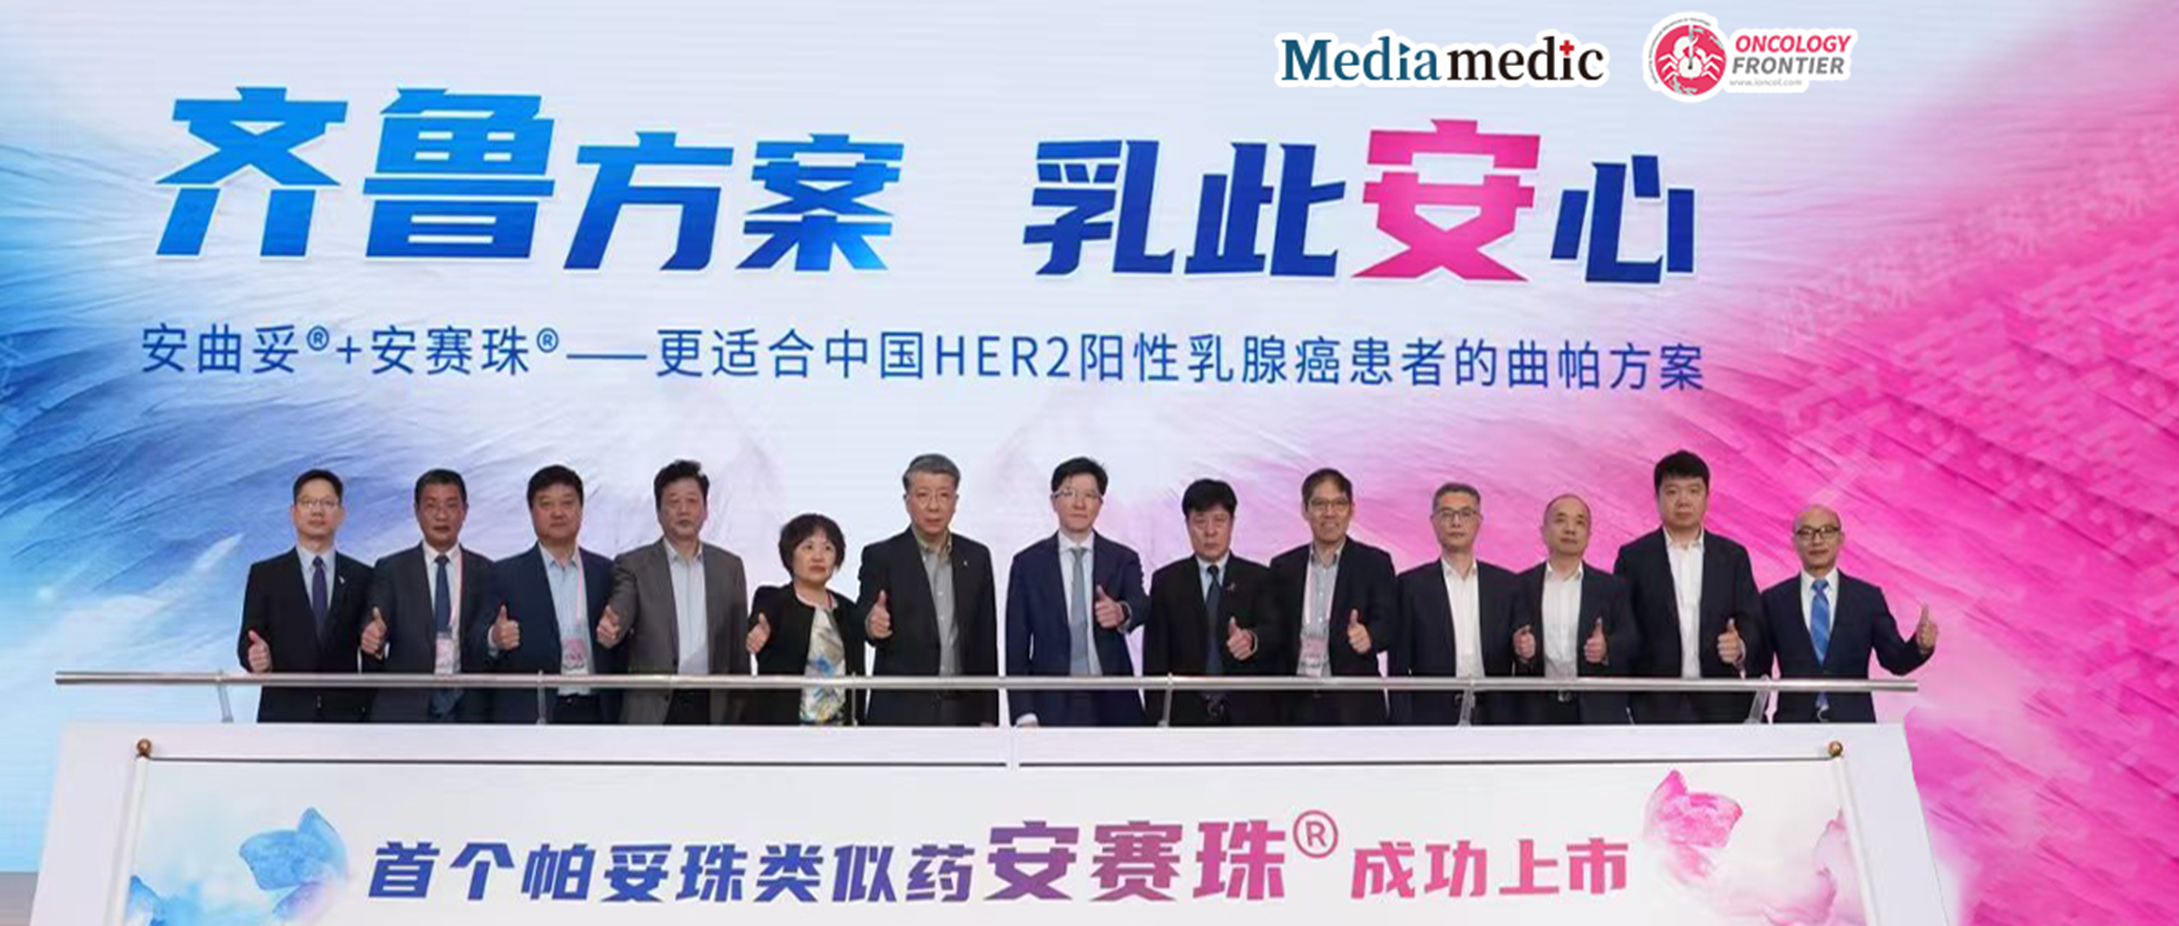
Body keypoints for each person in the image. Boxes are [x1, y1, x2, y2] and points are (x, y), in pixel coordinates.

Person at [1612, 450, 1764, 724]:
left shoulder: (1732, 556)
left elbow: (1752, 618)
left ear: (1707, 497)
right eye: (1672, 492)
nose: (1683, 500)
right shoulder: (1633, 557)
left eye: (1693, 491)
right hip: (1653, 704)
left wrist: (1740, 646)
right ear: (1657, 497)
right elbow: (1623, 626)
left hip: (1722, 703)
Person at [1749, 505, 1938, 723]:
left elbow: (1895, 661)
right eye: (1806, 533)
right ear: (1794, 542)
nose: (1817, 540)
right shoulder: (1773, 600)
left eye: (1827, 531)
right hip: (1793, 726)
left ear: (1841, 539)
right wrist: (1758, 723)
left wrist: (1920, 647)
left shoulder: (1867, 598)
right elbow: (1760, 671)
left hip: (1854, 726)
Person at [602, 460, 751, 724]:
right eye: (673, 502)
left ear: (706, 510)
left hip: (713, 707)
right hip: (653, 708)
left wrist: (741, 712)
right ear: (658, 512)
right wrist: (613, 626)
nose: (683, 510)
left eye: (692, 501)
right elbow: (622, 604)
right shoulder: (633, 565)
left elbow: (738, 652)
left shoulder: (730, 567)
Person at [1005, 457, 1149, 727]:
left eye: (1090, 495)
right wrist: (1024, 712)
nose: (1080, 504)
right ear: (1053, 501)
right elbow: (1017, 644)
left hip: (1115, 703)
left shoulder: (1122, 558)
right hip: (1051, 703)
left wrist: (1121, 611)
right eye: (1069, 493)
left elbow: (1142, 604)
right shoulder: (1028, 564)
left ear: (1100, 504)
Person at [857, 454, 1000, 726]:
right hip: (900, 712)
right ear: (907, 501)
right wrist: (871, 624)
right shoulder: (881, 555)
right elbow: (863, 614)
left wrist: (989, 717)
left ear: (955, 502)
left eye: (943, 495)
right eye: (922, 495)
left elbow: (985, 642)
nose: (933, 506)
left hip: (963, 711)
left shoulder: (977, 557)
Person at [481, 465, 623, 725]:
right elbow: (473, 642)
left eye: (567, 503)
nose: (558, 512)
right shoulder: (503, 574)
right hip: (532, 712)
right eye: (546, 504)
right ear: (531, 512)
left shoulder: (607, 572)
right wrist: (494, 638)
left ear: (581, 509)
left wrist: (619, 633)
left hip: (596, 711)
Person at [361, 469, 498, 723]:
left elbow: (487, 643)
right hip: (405, 709)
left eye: (451, 505)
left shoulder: (487, 571)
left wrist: (495, 638)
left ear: (465, 511)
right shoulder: (391, 569)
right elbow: (374, 621)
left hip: (470, 711)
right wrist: (374, 638)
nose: (441, 515)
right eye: (431, 506)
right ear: (416, 511)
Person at [237, 468, 374, 723]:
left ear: (341, 514)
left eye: (327, 503)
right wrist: (254, 658)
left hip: (347, 717)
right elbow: (247, 639)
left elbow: (370, 651)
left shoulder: (363, 577)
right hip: (283, 714)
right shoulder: (265, 575)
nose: (317, 511)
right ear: (293, 512)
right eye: (308, 502)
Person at [1391, 482, 1533, 725]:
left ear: (1479, 521)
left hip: (1496, 714)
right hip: (1431, 715)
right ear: (1433, 522)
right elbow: (1398, 666)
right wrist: (1401, 725)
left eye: (1466, 514)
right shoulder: (1410, 585)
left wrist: (1525, 653)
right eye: (1447, 514)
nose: (1456, 522)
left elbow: (1523, 658)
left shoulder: (1507, 585)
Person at [1143, 479, 1282, 726]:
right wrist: (1157, 718)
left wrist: (1251, 640)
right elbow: (1155, 659)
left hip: (1248, 718)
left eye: (1219, 521)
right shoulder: (1167, 581)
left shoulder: (1258, 578)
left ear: (1232, 523)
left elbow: (1275, 633)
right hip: (1184, 718)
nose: (1210, 531)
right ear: (1187, 525)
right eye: (1200, 522)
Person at [1268, 468, 1396, 725]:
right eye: (1319, 504)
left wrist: (1369, 637)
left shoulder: (1375, 563)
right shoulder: (1283, 566)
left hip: (1354, 705)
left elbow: (1390, 623)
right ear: (1304, 510)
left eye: (1339, 504)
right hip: (1294, 702)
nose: (1329, 513)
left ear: (1351, 509)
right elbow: (1274, 629)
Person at [1512, 494, 1640, 724]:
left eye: (1579, 522)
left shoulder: (1613, 587)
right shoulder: (1519, 586)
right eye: (1560, 520)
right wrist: (1521, 652)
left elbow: (1632, 640)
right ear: (1543, 532)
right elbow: (1501, 644)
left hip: (1596, 713)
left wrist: (1606, 649)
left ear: (1589, 535)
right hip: (1536, 712)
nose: (1570, 529)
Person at [746, 514, 866, 725]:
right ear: (790, 555)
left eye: (827, 548)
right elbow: (760, 620)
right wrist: (758, 632)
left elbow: (858, 679)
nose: (818, 556)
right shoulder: (773, 600)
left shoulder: (849, 611)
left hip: (842, 734)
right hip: (783, 731)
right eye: (808, 547)